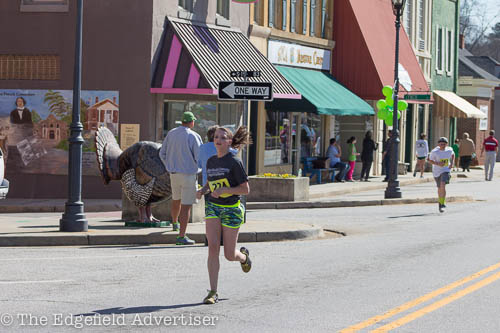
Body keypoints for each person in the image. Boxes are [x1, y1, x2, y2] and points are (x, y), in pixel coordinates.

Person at [196, 126, 252, 305]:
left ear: (229, 142)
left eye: (222, 137)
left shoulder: (234, 162)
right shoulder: (211, 161)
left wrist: (225, 190)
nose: (217, 140)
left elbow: (245, 189)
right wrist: (202, 190)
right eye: (215, 137)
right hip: (213, 207)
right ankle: (212, 291)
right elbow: (210, 182)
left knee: (229, 254)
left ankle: (243, 257)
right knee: (213, 247)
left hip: (232, 208)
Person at [160, 111, 203, 245]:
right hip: (189, 174)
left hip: (173, 174)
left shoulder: (171, 133)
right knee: (186, 206)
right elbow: (199, 156)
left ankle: (174, 223)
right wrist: (200, 168)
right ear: (192, 122)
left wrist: (169, 165)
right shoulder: (193, 136)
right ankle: (181, 236)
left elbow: (162, 153)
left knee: (175, 200)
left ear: (182, 121)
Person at [428, 137, 455, 213]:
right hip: (436, 171)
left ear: (446, 144)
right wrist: (437, 163)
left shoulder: (449, 150)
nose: (442, 145)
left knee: (443, 184)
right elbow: (429, 160)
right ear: (438, 144)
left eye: (444, 144)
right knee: (439, 188)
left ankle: (443, 203)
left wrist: (452, 163)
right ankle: (440, 202)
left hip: (446, 170)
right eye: (441, 144)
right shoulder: (435, 152)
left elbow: (453, 155)